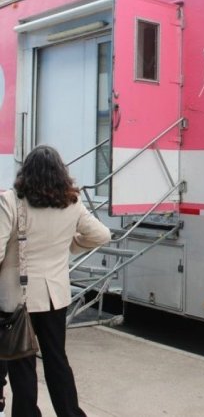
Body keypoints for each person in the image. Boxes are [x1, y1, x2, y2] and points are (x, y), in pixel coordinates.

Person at [0, 145, 111, 417]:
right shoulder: (71, 203)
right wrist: (72, 245)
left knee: (21, 363)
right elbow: (102, 235)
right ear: (60, 172)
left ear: (26, 172)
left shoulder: (10, 201)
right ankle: (70, 413)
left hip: (16, 298)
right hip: (54, 297)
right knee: (57, 360)